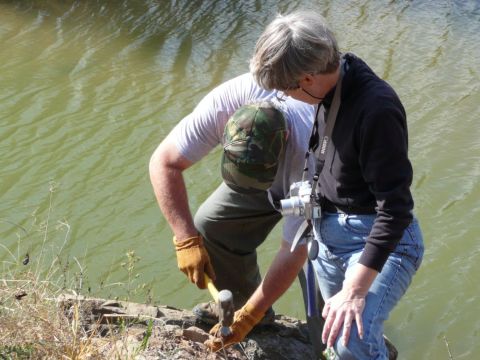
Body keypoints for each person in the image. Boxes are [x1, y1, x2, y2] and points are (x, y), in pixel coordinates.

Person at [206, 10, 424, 360]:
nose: (285, 99)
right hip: (329, 238)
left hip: (378, 241)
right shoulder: (331, 89)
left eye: (286, 89)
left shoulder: (376, 110)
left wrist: (354, 290)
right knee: (336, 343)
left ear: (307, 77)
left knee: (349, 340)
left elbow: (396, 212)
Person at [149, 73, 327, 357]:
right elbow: (163, 162)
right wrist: (185, 239)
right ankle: (244, 305)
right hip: (264, 176)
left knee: (321, 261)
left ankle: (330, 335)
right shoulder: (226, 103)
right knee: (211, 224)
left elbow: (293, 251)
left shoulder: (310, 143)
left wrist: (250, 315)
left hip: (313, 185)